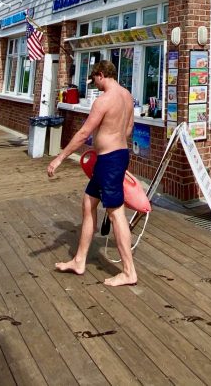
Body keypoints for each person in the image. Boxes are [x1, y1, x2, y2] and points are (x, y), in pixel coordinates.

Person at [47, 60, 137, 287]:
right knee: (88, 203)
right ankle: (79, 260)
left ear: (100, 75)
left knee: (116, 212)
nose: (94, 84)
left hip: (110, 161)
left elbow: (84, 133)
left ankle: (129, 272)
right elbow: (128, 129)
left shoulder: (103, 100)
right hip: (116, 156)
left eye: (94, 79)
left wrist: (60, 158)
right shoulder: (127, 96)